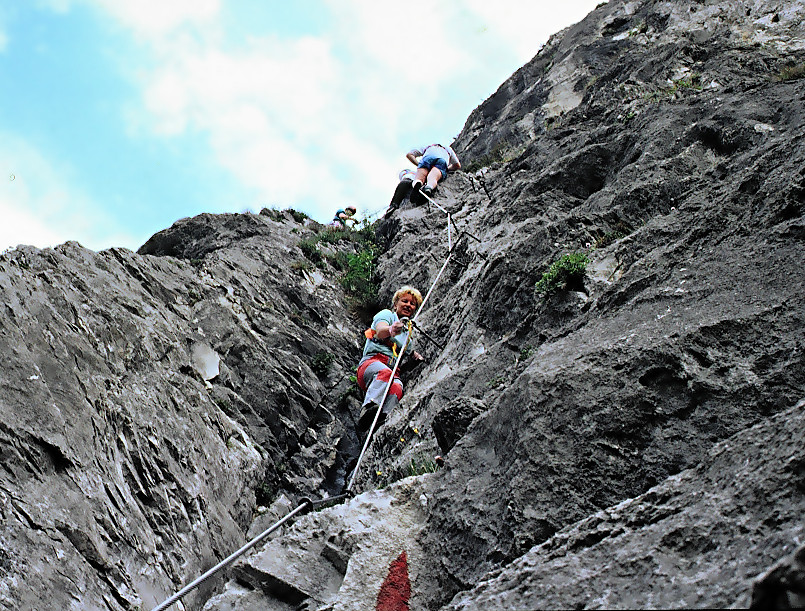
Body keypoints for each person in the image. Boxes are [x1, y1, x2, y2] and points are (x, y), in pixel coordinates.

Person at [357, 286, 424, 431]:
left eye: (412, 304)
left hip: (392, 371)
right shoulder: (387, 315)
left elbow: (406, 353)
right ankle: (368, 407)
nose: (408, 305)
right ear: (396, 304)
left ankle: (383, 419)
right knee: (386, 373)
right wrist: (390, 330)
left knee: (397, 386)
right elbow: (380, 331)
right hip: (372, 364)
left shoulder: (407, 334)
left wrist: (414, 357)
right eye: (404, 301)